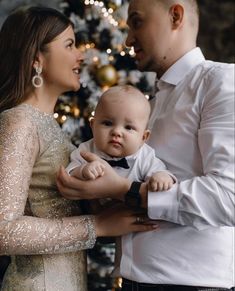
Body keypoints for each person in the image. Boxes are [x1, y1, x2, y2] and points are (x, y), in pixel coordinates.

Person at [57, 0, 235, 290]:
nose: (128, 39)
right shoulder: (147, 104)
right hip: (131, 281)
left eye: (137, 22)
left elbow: (230, 198)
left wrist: (123, 190)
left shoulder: (220, 82)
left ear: (175, 16)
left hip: (189, 284)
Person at [0, 6, 158, 291]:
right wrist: (96, 225)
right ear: (37, 58)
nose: (81, 55)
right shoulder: (19, 121)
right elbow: (3, 231)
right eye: (70, 45)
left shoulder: (53, 128)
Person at [66, 84, 176, 276]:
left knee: (129, 254)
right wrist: (83, 171)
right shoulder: (86, 150)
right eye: (107, 123)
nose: (117, 132)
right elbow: (69, 175)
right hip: (95, 219)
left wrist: (161, 177)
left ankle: (121, 273)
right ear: (92, 125)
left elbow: (159, 173)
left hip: (132, 218)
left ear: (144, 137)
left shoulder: (144, 156)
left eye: (129, 127)